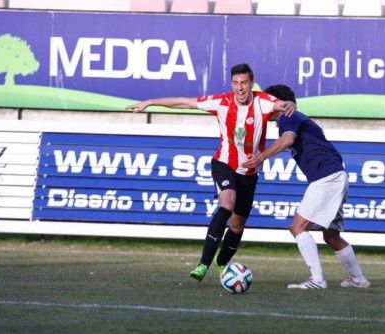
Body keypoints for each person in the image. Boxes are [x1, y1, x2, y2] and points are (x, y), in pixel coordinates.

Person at [126, 64, 295, 282]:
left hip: (249, 173)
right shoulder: (222, 102)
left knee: (237, 224)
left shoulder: (263, 101)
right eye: (235, 83)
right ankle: (203, 264)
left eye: (244, 83)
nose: (240, 88)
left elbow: (282, 104)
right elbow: (184, 102)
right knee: (227, 203)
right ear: (231, 84)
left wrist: (288, 103)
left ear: (251, 84)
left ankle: (222, 262)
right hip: (223, 163)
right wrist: (150, 102)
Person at [243, 84, 371, 290]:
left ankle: (317, 280)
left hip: (327, 177)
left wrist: (261, 157)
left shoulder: (288, 115)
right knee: (331, 235)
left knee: (297, 227)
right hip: (336, 175)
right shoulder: (293, 116)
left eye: (268, 101)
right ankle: (358, 279)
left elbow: (287, 141)